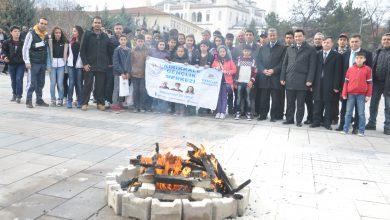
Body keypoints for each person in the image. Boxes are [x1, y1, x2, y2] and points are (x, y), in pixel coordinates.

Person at [337, 34, 373, 133]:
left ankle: (356, 128)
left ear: (360, 42)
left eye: (356, 41)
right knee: (345, 108)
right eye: (352, 42)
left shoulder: (367, 54)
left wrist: (368, 92)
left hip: (361, 89)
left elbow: (369, 73)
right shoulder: (345, 54)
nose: (354, 43)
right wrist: (341, 87)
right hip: (347, 87)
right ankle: (343, 125)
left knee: (359, 110)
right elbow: (341, 71)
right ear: (349, 42)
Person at [280, 29, 317, 127]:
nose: (297, 38)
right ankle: (289, 119)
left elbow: (312, 66)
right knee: (290, 102)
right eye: (296, 36)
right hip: (289, 80)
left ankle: (299, 121)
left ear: (303, 37)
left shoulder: (310, 49)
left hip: (302, 81)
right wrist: (282, 77)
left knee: (300, 104)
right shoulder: (290, 48)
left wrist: (310, 80)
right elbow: (284, 64)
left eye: (299, 36)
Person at [80, 16, 112, 111]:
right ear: (92, 24)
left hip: (101, 66)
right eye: (95, 22)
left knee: (100, 86)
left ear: (101, 24)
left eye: (99, 22)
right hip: (89, 65)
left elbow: (109, 50)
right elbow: (82, 50)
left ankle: (100, 103)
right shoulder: (87, 34)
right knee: (87, 85)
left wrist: (108, 63)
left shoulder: (105, 36)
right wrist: (85, 63)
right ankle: (85, 103)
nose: (97, 24)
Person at [310, 37, 342, 130]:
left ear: (332, 44)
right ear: (322, 43)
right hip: (317, 83)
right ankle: (316, 121)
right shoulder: (317, 54)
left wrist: (336, 86)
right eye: (324, 42)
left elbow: (338, 72)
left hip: (330, 84)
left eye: (328, 42)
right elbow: (313, 70)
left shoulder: (337, 56)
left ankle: (327, 122)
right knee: (317, 103)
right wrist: (311, 84)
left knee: (328, 104)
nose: (326, 44)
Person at [257, 28, 286, 122]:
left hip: (275, 77)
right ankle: (263, 115)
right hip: (264, 76)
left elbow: (283, 62)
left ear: (276, 35)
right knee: (264, 98)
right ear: (268, 36)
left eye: (274, 35)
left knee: (275, 98)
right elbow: (259, 61)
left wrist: (274, 70)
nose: (272, 37)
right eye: (270, 35)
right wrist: (263, 70)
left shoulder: (282, 47)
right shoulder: (263, 47)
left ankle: (273, 116)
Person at [341, 52, 372, 136]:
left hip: (361, 95)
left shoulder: (368, 69)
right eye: (357, 58)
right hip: (350, 94)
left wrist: (368, 95)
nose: (359, 59)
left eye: (361, 58)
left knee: (361, 113)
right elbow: (346, 82)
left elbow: (369, 83)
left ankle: (361, 131)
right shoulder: (350, 69)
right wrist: (344, 93)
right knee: (348, 113)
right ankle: (345, 129)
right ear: (355, 59)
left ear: (364, 59)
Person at [22, 17, 51, 108]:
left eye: (45, 24)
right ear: (38, 23)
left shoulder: (46, 35)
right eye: (41, 23)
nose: (43, 25)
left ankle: (39, 100)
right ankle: (28, 100)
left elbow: (47, 49)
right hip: (33, 62)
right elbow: (25, 48)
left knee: (41, 82)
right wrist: (27, 61)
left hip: (42, 63)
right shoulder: (31, 33)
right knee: (32, 82)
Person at [365, 33, 390, 135]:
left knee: (388, 106)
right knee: (373, 104)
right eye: (384, 39)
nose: (386, 41)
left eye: (388, 39)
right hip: (377, 82)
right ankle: (372, 123)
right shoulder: (377, 52)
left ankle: (388, 126)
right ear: (381, 41)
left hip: (388, 83)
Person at [212, 45, 237, 119]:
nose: (222, 53)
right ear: (218, 53)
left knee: (224, 97)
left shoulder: (230, 60)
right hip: (217, 82)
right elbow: (212, 68)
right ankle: (218, 112)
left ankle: (223, 112)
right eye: (221, 52)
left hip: (226, 82)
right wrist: (216, 68)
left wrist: (228, 72)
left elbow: (234, 70)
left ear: (226, 52)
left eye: (224, 51)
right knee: (218, 97)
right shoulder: (216, 61)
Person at [2, 26, 25, 103]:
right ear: (11, 33)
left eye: (18, 31)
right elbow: (3, 52)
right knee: (13, 80)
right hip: (11, 64)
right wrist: (4, 57)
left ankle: (19, 96)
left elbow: (26, 52)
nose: (17, 33)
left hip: (21, 64)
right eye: (15, 31)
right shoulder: (6, 42)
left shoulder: (23, 42)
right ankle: (14, 94)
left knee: (19, 79)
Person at [235, 45, 256, 120]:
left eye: (248, 51)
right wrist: (236, 82)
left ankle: (248, 113)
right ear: (242, 51)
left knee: (248, 98)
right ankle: (238, 112)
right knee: (238, 98)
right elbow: (236, 71)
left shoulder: (253, 60)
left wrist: (251, 81)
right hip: (240, 82)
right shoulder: (239, 59)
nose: (246, 52)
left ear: (251, 52)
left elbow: (254, 73)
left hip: (248, 83)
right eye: (245, 51)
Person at [48, 26, 68, 107]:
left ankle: (60, 99)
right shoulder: (50, 41)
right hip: (52, 65)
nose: (58, 34)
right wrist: (48, 65)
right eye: (56, 33)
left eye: (59, 33)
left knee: (60, 83)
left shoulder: (64, 42)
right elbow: (48, 53)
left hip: (61, 66)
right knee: (52, 83)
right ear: (54, 33)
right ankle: (53, 99)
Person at [112, 34, 132, 112]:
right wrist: (122, 73)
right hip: (118, 73)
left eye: (124, 39)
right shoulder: (117, 50)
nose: (123, 41)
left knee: (123, 88)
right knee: (117, 88)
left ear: (126, 41)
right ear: (119, 41)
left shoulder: (129, 50)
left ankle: (120, 103)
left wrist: (128, 72)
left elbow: (130, 63)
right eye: (121, 39)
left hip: (126, 73)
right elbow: (116, 63)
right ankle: (114, 103)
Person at [149, 40, 170, 113]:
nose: (161, 46)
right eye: (160, 44)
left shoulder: (167, 53)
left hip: (163, 76)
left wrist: (168, 61)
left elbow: (170, 63)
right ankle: (154, 107)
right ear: (157, 45)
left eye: (163, 45)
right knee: (155, 91)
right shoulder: (152, 51)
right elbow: (149, 59)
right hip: (154, 76)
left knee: (162, 91)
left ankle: (162, 108)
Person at [131, 34, 149, 113]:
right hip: (134, 74)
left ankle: (142, 106)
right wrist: (129, 72)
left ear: (144, 42)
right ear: (136, 42)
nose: (140, 43)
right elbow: (130, 62)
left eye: (142, 41)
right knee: (135, 90)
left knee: (142, 90)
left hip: (144, 74)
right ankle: (136, 107)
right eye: (139, 41)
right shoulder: (133, 50)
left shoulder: (147, 50)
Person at [67, 25, 84, 108]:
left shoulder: (83, 42)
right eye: (73, 31)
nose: (73, 33)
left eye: (74, 31)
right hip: (71, 66)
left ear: (79, 32)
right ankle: (69, 100)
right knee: (71, 83)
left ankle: (79, 101)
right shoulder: (71, 42)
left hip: (79, 66)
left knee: (79, 84)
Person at [171, 45, 189, 116]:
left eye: (182, 51)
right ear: (176, 52)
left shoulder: (187, 60)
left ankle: (182, 110)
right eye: (179, 51)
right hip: (176, 81)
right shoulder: (174, 59)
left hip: (183, 81)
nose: (180, 53)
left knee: (182, 96)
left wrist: (187, 65)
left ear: (184, 52)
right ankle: (176, 110)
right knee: (176, 96)